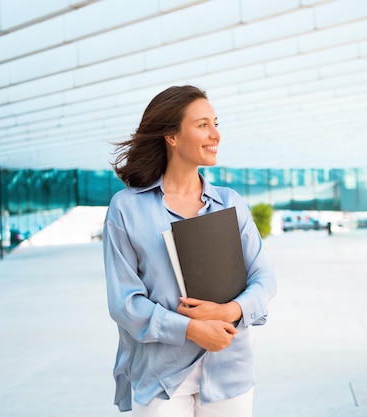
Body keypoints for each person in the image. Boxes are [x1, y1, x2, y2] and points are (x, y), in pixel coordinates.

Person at [102, 85, 277, 417]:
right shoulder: (126, 208)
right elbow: (125, 303)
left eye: (216, 123)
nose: (216, 134)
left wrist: (230, 312)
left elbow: (264, 278)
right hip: (162, 376)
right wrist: (191, 329)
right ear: (171, 136)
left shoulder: (230, 204)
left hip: (230, 372)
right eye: (202, 125)